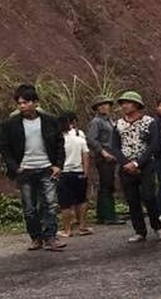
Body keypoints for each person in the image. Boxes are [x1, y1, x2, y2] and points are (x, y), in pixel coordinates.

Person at [0, 84, 66, 251]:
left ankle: (50, 237)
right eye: (19, 103)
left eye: (25, 102)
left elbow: (59, 143)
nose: (22, 106)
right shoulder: (10, 124)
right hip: (25, 170)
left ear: (35, 102)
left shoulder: (50, 121)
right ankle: (36, 238)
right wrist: (15, 167)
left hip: (46, 168)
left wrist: (58, 165)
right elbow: (5, 148)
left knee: (50, 204)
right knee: (29, 207)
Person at [113, 91, 161, 243]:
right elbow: (115, 146)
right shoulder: (118, 124)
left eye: (127, 103)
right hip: (126, 166)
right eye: (122, 103)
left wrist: (137, 163)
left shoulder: (149, 122)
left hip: (145, 164)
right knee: (132, 199)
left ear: (136, 104)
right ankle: (139, 231)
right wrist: (125, 163)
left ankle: (157, 226)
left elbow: (154, 144)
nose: (124, 106)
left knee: (149, 196)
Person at [87, 95, 122, 225]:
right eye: (100, 105)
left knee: (107, 185)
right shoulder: (97, 122)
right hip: (103, 157)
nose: (103, 107)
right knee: (106, 185)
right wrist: (103, 153)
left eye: (106, 104)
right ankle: (109, 216)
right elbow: (91, 139)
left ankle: (103, 215)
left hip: (112, 156)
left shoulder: (109, 121)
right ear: (96, 108)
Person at [57, 111, 92, 238]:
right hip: (79, 172)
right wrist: (86, 172)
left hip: (63, 173)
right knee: (81, 200)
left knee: (65, 203)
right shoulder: (79, 139)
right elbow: (86, 156)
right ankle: (82, 226)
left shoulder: (57, 141)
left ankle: (67, 230)